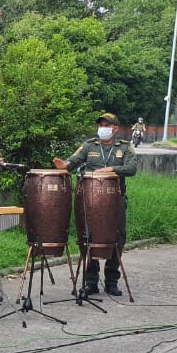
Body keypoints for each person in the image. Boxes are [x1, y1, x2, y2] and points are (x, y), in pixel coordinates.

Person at [54, 112, 138, 296]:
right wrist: (64, 165)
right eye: (101, 125)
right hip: (89, 200)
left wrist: (112, 169)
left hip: (115, 199)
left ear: (115, 128)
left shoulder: (124, 147)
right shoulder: (89, 145)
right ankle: (91, 281)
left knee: (117, 237)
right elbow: (72, 162)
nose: (103, 129)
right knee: (87, 237)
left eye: (107, 125)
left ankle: (111, 281)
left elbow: (132, 169)